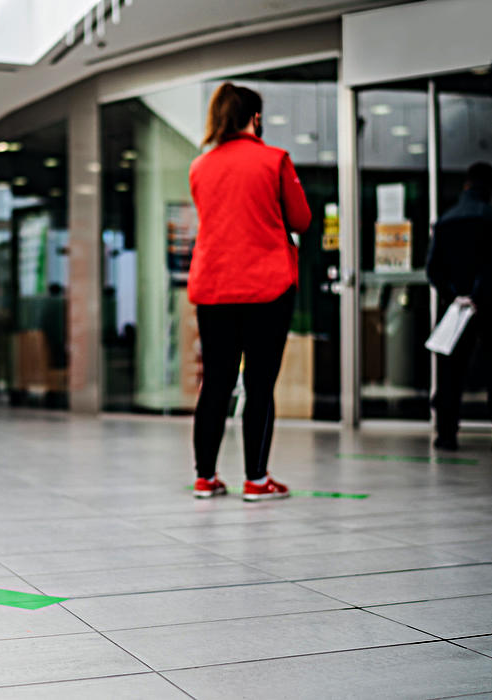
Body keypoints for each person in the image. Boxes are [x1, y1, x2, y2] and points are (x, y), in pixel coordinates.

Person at [188, 82, 311, 501]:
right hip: (266, 288)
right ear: (255, 118)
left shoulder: (200, 167)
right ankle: (256, 481)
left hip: (214, 288)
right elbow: (301, 219)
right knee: (259, 384)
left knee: (215, 383)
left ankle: (205, 477)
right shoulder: (274, 160)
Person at [426, 162, 492, 454]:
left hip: (455, 308)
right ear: (491, 188)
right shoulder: (491, 216)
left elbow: (433, 269)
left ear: (466, 184)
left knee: (450, 372)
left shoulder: (445, 220)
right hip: (489, 305)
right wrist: (476, 294)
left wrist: (456, 295)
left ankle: (446, 434)